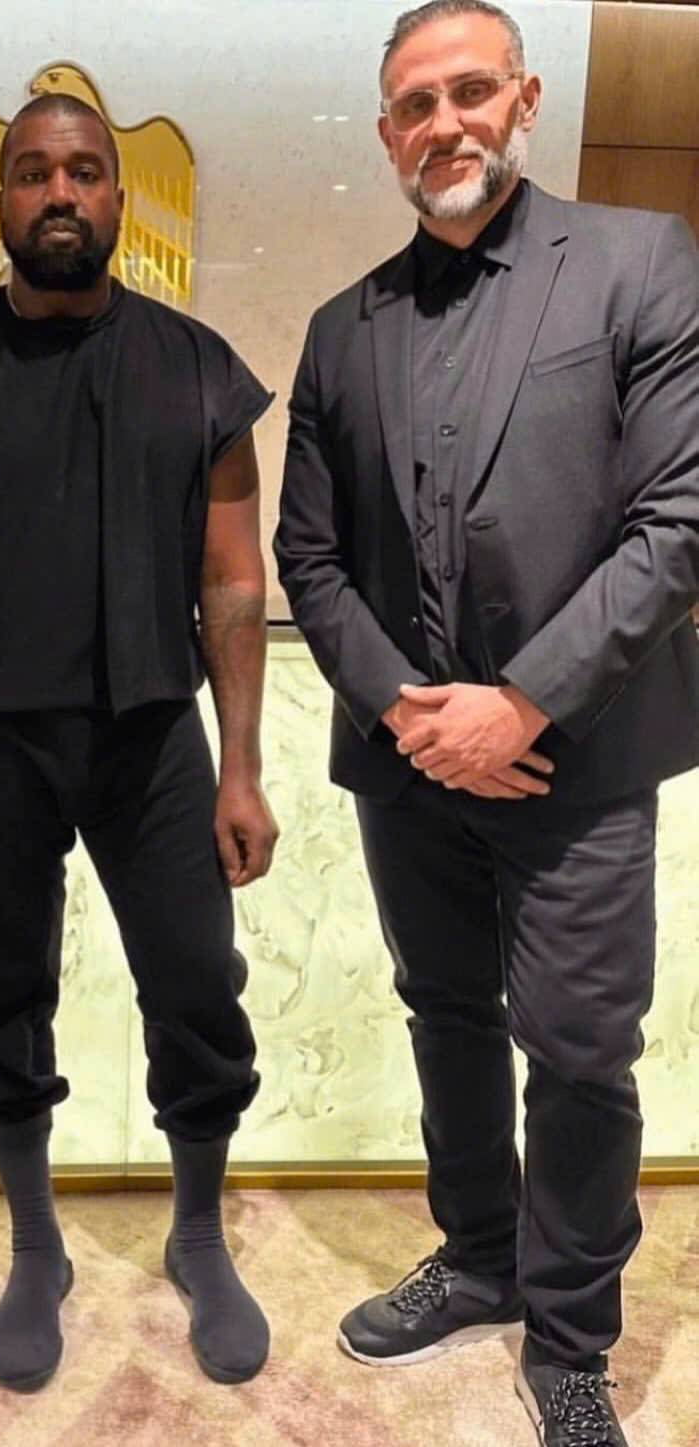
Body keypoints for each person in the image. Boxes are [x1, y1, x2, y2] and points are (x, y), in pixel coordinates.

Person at [275, 3, 699, 1443]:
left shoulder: (640, 262)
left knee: (577, 1049)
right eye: (415, 104)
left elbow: (678, 521)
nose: (443, 124)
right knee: (444, 1014)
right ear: (385, 133)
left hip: (580, 759)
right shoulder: (341, 330)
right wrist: (415, 714)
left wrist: (520, 705)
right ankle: (476, 1259)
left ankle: (572, 1340)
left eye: (470, 92)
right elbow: (310, 559)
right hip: (413, 769)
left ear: (523, 100)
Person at [0, 92, 278, 1391]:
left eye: (85, 171)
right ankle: (36, 1249)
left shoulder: (198, 367)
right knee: (0, 991)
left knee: (198, 985)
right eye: (34, 172)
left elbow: (232, 577)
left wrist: (242, 766)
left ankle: (198, 1235)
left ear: (118, 197)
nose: (60, 192)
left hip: (154, 736)